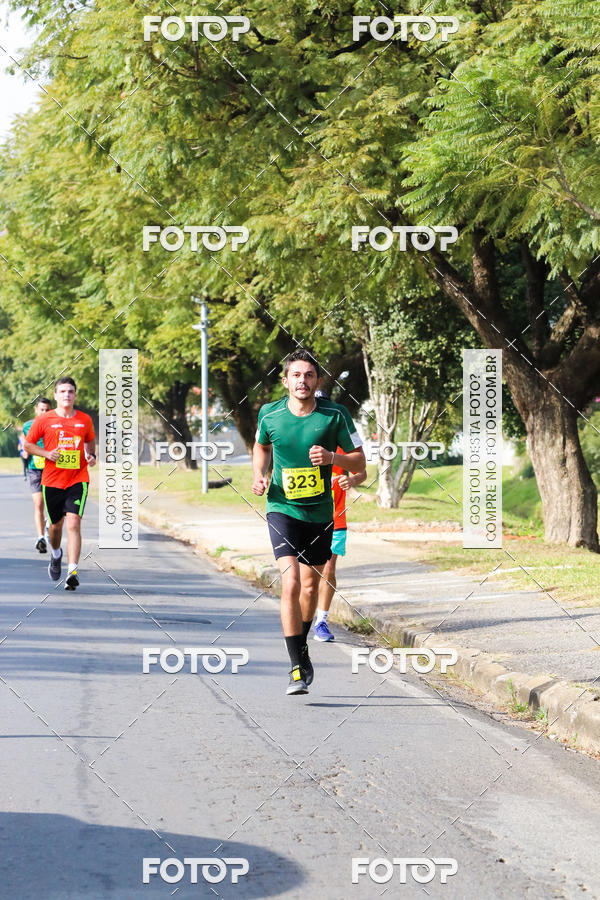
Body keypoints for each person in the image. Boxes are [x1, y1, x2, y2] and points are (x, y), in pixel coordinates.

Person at [252, 349, 366, 695]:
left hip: (319, 513)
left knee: (310, 586)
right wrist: (258, 474)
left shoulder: (335, 415)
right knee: (290, 584)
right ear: (285, 381)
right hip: (281, 507)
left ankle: (302, 650)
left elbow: (360, 461)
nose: (302, 380)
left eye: (309, 375)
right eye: (296, 375)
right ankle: (296, 667)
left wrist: (333, 457)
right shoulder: (269, 413)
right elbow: (261, 447)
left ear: (317, 381)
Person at [22, 377, 96, 590]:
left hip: (78, 479)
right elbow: (28, 445)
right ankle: (56, 555)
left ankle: (72, 571)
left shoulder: (84, 420)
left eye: (70, 391)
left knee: (73, 523)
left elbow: (90, 440)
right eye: (62, 391)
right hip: (52, 480)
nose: (66, 395)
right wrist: (47, 453)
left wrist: (91, 455)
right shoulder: (44, 420)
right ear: (55, 395)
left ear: (75, 395)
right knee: (56, 527)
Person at [312, 391, 367, 642]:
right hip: (305, 516)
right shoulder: (300, 438)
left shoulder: (341, 438)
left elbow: (362, 470)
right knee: (308, 573)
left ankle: (321, 621)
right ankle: (302, 618)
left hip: (336, 516)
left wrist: (351, 479)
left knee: (329, 568)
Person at [21, 398, 53, 553]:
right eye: (42, 409)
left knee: (53, 505)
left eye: (47, 410)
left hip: (53, 469)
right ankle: (41, 537)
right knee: (39, 503)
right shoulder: (28, 426)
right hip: (35, 469)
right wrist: (25, 452)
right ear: (36, 410)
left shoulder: (55, 425)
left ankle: (47, 525)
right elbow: (25, 445)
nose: (44, 413)